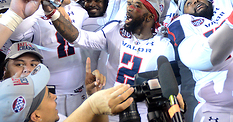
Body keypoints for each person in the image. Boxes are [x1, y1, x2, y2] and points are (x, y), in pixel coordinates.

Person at [41, 0, 177, 122]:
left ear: (149, 17)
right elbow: (79, 38)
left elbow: (170, 92)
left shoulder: (163, 45)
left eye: (137, 6)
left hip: (141, 115)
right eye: (131, 4)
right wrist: (52, 13)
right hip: (108, 110)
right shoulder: (116, 29)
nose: (129, 8)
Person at [10, 0, 91, 116]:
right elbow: (15, 34)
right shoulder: (34, 15)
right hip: (53, 92)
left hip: (80, 88)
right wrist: (40, 6)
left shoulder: (77, 9)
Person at [0, 62, 134, 122]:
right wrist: (91, 106)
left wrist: (93, 97)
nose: (55, 96)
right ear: (36, 117)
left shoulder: (59, 118)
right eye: (48, 96)